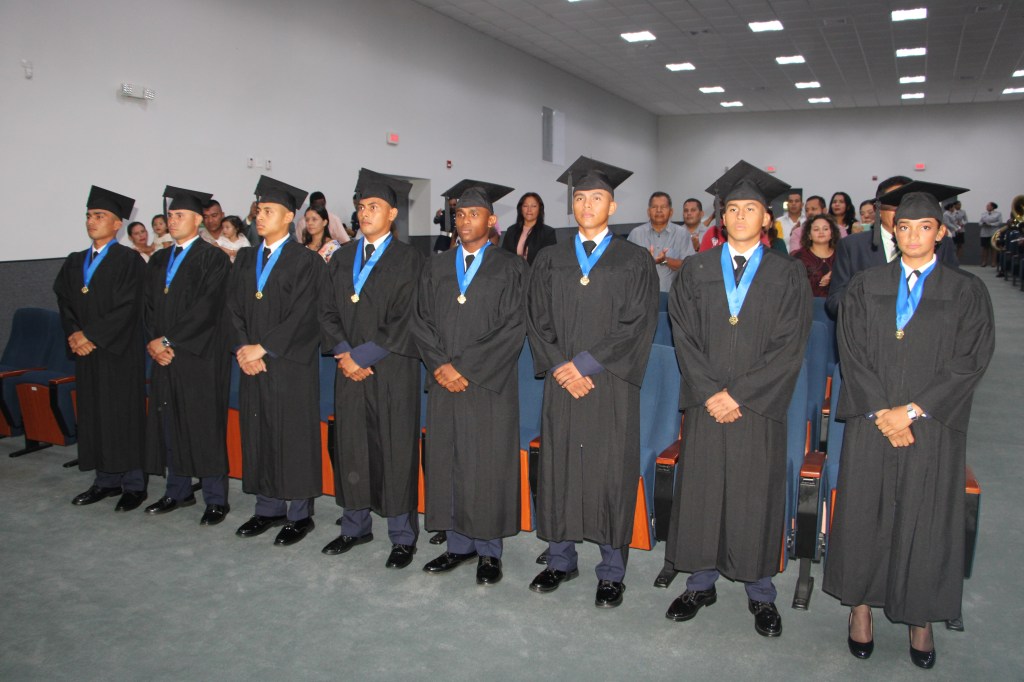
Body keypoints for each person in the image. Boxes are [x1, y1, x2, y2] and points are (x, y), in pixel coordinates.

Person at [823, 183, 994, 670]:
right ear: (892, 233)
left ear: (941, 233)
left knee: (926, 515)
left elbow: (970, 362)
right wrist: (882, 410)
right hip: (872, 422)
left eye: (924, 227)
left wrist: (913, 411)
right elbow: (850, 354)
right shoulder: (866, 285)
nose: (913, 235)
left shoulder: (966, 292)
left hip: (931, 426)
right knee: (864, 513)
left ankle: (921, 614)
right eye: (904, 227)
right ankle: (859, 607)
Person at [663, 161, 811, 638]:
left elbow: (789, 346)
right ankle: (700, 581)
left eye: (752, 209)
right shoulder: (696, 270)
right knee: (704, 488)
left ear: (767, 219)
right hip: (707, 403)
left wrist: (740, 395)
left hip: (756, 406)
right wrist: (710, 392)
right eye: (733, 209)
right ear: (720, 219)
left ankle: (760, 591)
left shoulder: (788, 275)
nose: (742, 216)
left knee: (754, 492)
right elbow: (682, 335)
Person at [526, 156, 658, 609]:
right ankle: (560, 559)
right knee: (560, 465)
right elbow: (536, 319)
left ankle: (611, 570)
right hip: (562, 382)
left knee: (608, 471)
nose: (586, 205)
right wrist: (561, 365)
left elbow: (638, 322)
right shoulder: (550, 258)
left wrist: (587, 363)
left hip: (610, 383)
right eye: (579, 198)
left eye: (596, 198)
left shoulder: (634, 259)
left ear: (613, 205)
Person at [412, 179, 525, 585]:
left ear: (492, 221)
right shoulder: (436, 265)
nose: (464, 221)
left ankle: (489, 550)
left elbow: (514, 327)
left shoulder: (511, 267)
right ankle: (457, 544)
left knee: (487, 463)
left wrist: (466, 367)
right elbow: (420, 320)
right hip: (444, 382)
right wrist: (441, 363)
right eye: (459, 214)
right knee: (449, 458)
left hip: (487, 385)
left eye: (473, 214)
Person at [319, 168, 424, 568]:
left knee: (394, 448)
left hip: (391, 370)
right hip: (348, 370)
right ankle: (354, 526)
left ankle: (401, 535)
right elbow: (325, 311)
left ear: (392, 213)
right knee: (351, 446)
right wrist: (344, 352)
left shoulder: (409, 259)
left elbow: (407, 318)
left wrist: (361, 356)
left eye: (374, 207)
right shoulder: (341, 257)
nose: (365, 214)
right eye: (361, 207)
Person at [228, 175, 324, 546]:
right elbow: (232, 307)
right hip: (251, 363)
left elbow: (305, 314)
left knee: (293, 436)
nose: (260, 216)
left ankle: (299, 514)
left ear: (288, 217)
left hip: (289, 365)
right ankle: (267, 508)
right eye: (258, 210)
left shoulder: (306, 261)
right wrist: (243, 347)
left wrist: (263, 348)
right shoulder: (246, 258)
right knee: (259, 432)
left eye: (269, 210)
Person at [142, 186, 232, 525]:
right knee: (170, 421)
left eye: (180, 215)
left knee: (203, 425)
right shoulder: (160, 259)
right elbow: (148, 306)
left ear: (198, 220)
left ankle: (215, 499)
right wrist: (154, 341)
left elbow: (207, 309)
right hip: (165, 356)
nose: (172, 220)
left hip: (200, 356)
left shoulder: (213, 258)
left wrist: (169, 340)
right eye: (170, 215)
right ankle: (176, 490)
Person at [55, 186, 148, 512]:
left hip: (118, 353)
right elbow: (65, 300)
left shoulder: (129, 261)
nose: (92, 222)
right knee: (95, 415)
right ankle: (105, 480)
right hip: (87, 354)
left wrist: (91, 335)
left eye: (99, 216)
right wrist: (75, 333)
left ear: (117, 224)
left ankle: (134, 485)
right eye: (89, 216)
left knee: (124, 416)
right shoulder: (75, 261)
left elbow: (129, 307)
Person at [826, 178, 961, 319]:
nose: (903, 210)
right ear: (876, 209)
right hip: (871, 332)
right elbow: (835, 303)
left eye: (909, 203)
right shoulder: (852, 247)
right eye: (896, 203)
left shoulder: (941, 244)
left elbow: (955, 294)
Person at [628, 192, 696, 293]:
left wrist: (665, 260)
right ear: (648, 211)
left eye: (663, 207)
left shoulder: (682, 234)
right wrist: (644, 262)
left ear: (671, 212)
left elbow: (690, 266)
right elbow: (627, 267)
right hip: (641, 296)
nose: (659, 210)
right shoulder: (636, 234)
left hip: (672, 296)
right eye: (654, 207)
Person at [500, 192, 557, 265]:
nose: (529, 210)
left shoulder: (548, 233)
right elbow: (503, 256)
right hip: (513, 274)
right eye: (525, 206)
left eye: (533, 206)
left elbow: (550, 260)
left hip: (537, 275)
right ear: (521, 209)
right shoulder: (511, 230)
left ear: (540, 209)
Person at [792, 214, 841, 297]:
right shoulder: (799, 257)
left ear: (832, 234)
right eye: (816, 229)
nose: (821, 232)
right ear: (809, 235)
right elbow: (793, 286)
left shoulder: (841, 255)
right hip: (807, 304)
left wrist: (834, 276)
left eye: (825, 229)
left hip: (836, 304)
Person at [978, 201, 1002, 267]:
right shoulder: (983, 214)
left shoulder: (998, 214)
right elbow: (980, 222)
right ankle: (984, 262)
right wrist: (983, 224)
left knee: (993, 248)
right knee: (985, 248)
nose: (987, 207)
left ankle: (993, 262)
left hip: (993, 232)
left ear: (992, 207)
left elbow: (999, 222)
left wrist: (991, 224)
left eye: (988, 206)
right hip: (984, 232)